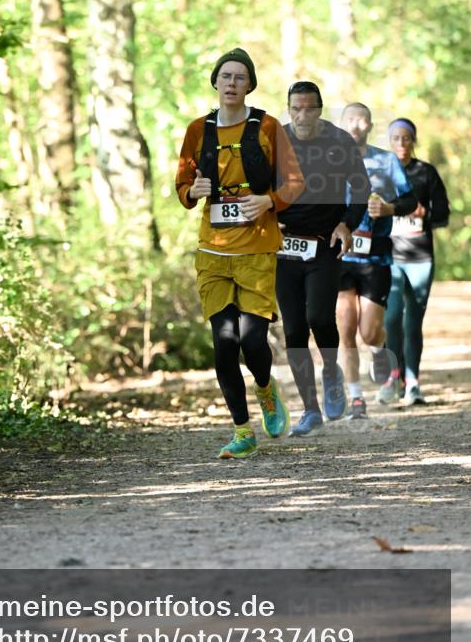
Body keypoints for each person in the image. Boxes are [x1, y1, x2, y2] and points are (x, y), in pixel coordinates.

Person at [176, 48, 305, 459]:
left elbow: (294, 182)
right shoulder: (198, 129)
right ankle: (241, 430)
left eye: (240, 77)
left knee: (252, 340)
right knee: (224, 343)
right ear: (215, 82)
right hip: (212, 251)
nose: (232, 83)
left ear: (250, 85)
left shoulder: (267, 127)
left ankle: (266, 390)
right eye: (225, 76)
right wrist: (191, 192)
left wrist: (269, 202)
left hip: (257, 247)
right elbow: (182, 185)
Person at [276, 82, 370, 436]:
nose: (302, 115)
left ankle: (331, 369)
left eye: (309, 109)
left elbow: (360, 189)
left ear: (319, 108)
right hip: (284, 248)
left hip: (324, 245)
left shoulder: (339, 142)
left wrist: (347, 223)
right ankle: (310, 409)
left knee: (318, 315)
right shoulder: (277, 142)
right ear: (288, 109)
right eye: (295, 109)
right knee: (294, 329)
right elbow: (257, 186)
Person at [337, 104, 417, 419]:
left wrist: (389, 209)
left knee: (369, 331)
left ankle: (379, 350)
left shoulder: (385, 160)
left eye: (362, 120)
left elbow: (410, 200)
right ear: (341, 125)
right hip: (340, 255)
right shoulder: (329, 159)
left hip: (376, 256)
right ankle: (356, 399)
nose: (356, 125)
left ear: (370, 125)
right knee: (345, 325)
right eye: (350, 120)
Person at [377, 118, 450, 406]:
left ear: (413, 141)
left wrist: (424, 214)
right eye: (396, 138)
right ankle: (392, 379)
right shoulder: (381, 174)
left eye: (406, 138)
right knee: (391, 317)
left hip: (419, 257)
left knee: (412, 321)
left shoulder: (425, 173)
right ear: (389, 141)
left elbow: (443, 213)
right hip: (389, 255)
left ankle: (413, 384)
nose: (401, 144)